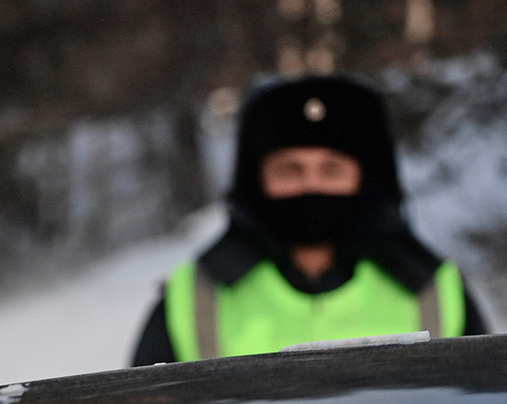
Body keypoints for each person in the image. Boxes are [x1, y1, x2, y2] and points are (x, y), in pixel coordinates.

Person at [131, 74, 487, 365]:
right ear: (257, 182)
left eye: (331, 169)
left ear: (365, 180)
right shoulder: (193, 298)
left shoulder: (434, 289)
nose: (310, 185)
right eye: (290, 170)